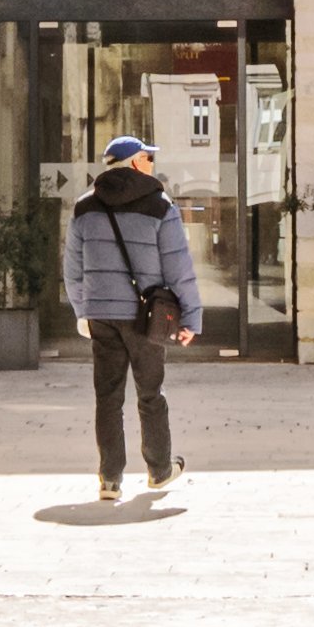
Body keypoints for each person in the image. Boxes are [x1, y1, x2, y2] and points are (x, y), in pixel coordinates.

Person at [63, 131, 200, 501]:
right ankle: (158, 470)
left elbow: (73, 270)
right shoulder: (160, 205)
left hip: (101, 315)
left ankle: (109, 480)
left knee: (107, 396)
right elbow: (178, 267)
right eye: (148, 158)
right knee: (150, 392)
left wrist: (83, 310)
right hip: (144, 316)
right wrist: (192, 316)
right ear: (136, 163)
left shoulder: (83, 207)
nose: (152, 165)